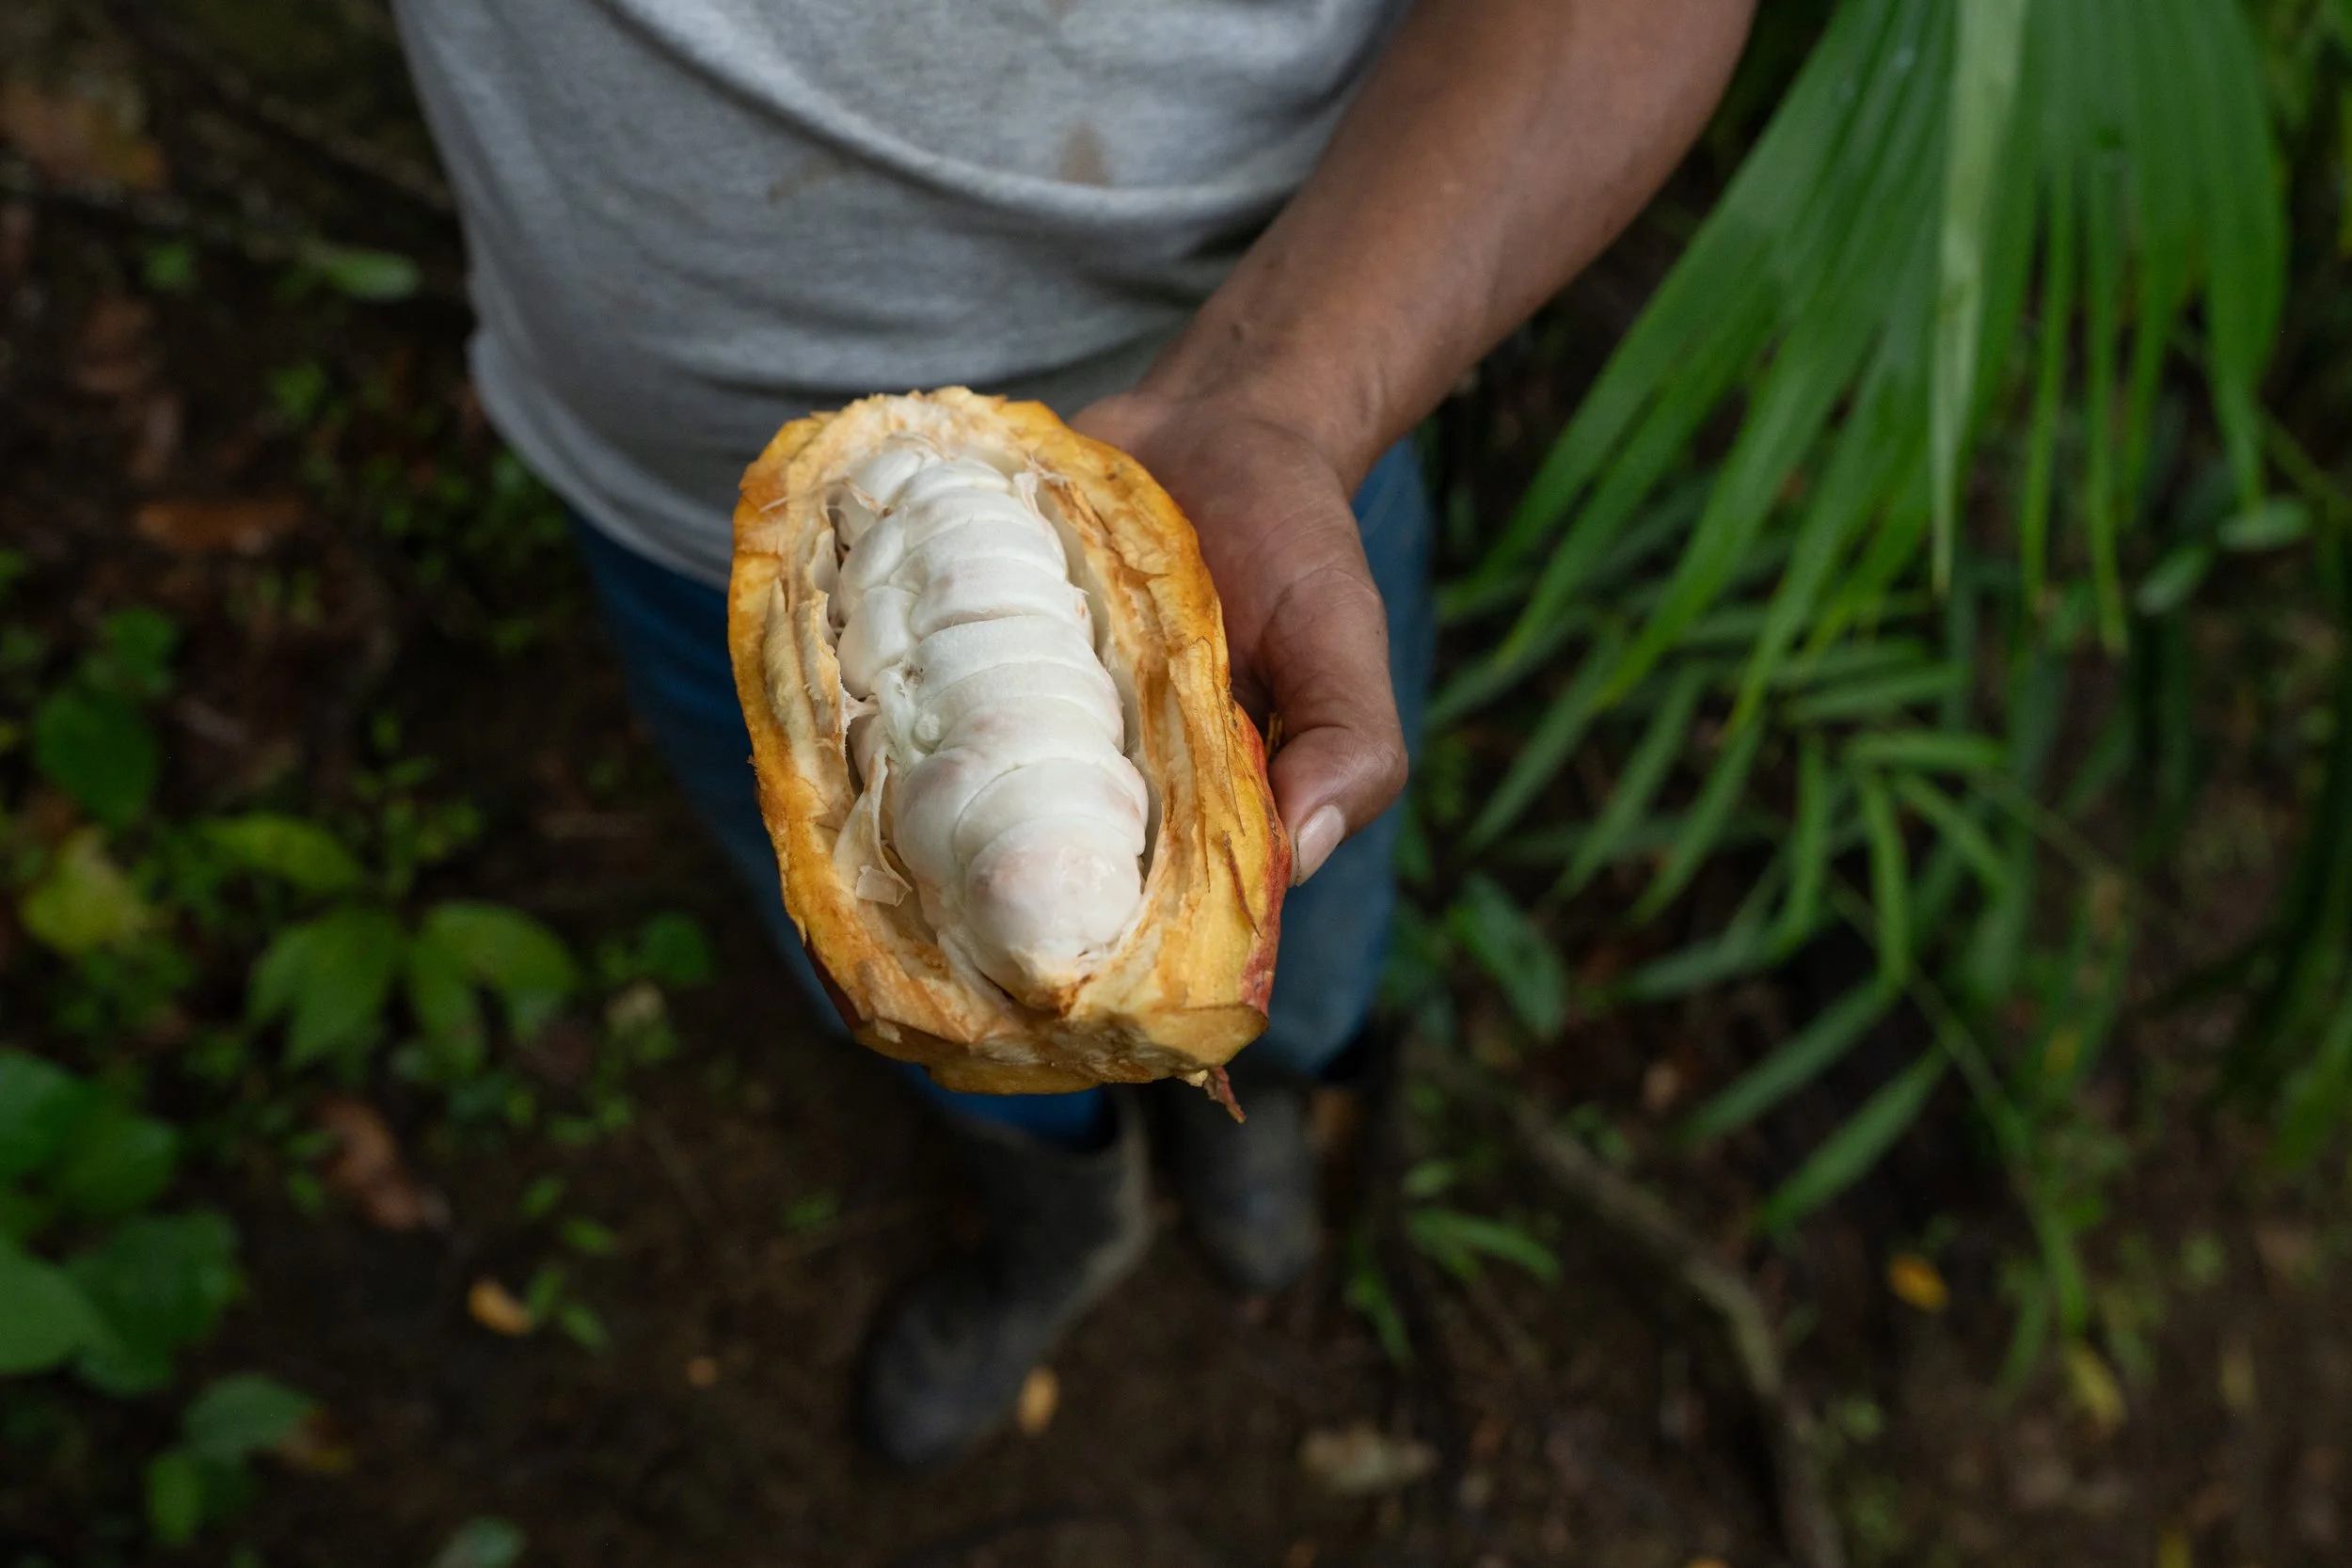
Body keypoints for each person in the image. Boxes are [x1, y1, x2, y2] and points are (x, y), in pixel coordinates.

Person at [388, 0, 1755, 1465]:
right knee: (914, 997)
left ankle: (1265, 1103)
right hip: (661, 500)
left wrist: (1292, 395)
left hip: (1255, 473)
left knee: (1316, 888)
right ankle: (1061, 1203)